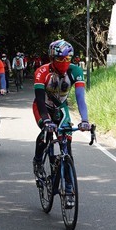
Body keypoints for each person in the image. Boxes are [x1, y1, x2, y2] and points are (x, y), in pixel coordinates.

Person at [32, 39, 90, 204]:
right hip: (43, 107)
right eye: (60, 58)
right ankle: (38, 161)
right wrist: (45, 121)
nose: (65, 62)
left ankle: (69, 189)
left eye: (68, 58)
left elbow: (80, 98)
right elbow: (40, 99)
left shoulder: (75, 71)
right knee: (45, 132)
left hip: (61, 108)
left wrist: (85, 119)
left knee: (67, 147)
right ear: (52, 57)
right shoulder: (42, 72)